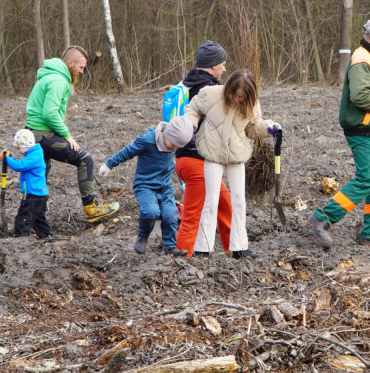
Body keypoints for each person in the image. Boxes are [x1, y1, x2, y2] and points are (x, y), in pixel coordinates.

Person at [309, 18, 370, 248]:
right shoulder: (363, 59)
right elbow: (359, 96)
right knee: (366, 179)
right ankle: (322, 218)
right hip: (363, 131)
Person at [175, 69, 280, 259]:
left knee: (239, 200)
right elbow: (193, 109)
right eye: (234, 94)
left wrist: (268, 127)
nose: (236, 99)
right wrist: (189, 124)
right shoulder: (210, 93)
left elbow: (252, 129)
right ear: (228, 87)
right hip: (212, 153)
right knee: (211, 200)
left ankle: (239, 247)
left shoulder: (251, 103)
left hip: (236, 155)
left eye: (241, 97)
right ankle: (203, 249)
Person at [23, 46, 119, 223]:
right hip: (42, 134)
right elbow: (49, 113)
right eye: (81, 67)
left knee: (40, 176)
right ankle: (92, 208)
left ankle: (34, 221)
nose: (82, 72)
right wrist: (67, 135)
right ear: (70, 62)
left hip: (32, 133)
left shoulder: (48, 76)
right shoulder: (59, 81)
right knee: (84, 160)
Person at [167, 40, 235, 257]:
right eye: (223, 64)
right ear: (214, 65)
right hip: (198, 162)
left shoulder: (186, 85)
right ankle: (179, 259)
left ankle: (234, 250)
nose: (225, 69)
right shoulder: (210, 90)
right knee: (192, 215)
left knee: (225, 205)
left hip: (182, 160)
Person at [98, 118, 193, 254]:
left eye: (178, 147)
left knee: (171, 214)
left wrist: (182, 180)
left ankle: (170, 247)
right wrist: (109, 164)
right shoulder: (148, 140)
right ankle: (142, 237)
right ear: (167, 134)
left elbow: (173, 163)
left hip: (165, 186)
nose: (175, 148)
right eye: (174, 145)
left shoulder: (173, 144)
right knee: (151, 212)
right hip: (145, 185)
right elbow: (127, 151)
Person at [1, 128, 51, 239]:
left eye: (19, 148)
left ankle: (21, 238)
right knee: (38, 218)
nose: (18, 151)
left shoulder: (34, 157)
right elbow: (21, 163)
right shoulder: (35, 154)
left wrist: (8, 159)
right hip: (39, 194)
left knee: (24, 216)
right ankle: (47, 236)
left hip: (33, 195)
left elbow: (19, 166)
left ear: (26, 145)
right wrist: (8, 159)